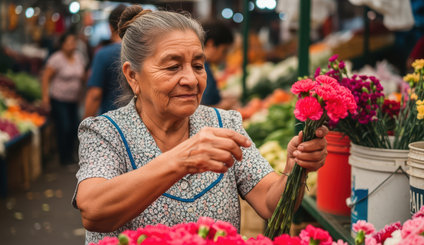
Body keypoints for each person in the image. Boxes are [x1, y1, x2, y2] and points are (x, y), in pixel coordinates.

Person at [72, 6, 328, 244]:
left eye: (198, 65)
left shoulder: (224, 124)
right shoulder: (104, 132)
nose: (191, 79)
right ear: (132, 76)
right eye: (173, 67)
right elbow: (94, 211)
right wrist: (181, 160)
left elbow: (270, 204)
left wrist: (293, 171)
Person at [41, 32, 85, 165]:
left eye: (74, 42)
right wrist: (45, 98)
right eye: (69, 42)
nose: (72, 45)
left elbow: (82, 77)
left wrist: (82, 94)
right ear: (62, 44)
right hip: (59, 99)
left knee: (74, 127)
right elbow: (46, 78)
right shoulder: (56, 59)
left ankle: (71, 155)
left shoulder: (78, 57)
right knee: (64, 127)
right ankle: (63, 157)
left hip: (74, 99)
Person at [83, 4, 126, 118]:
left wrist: (85, 130)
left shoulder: (103, 54)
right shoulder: (145, 53)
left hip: (111, 123)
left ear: (110, 27)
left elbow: (95, 95)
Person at [201, 21, 237, 109]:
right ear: (210, 44)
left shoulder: (206, 66)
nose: (225, 57)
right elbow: (199, 108)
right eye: (224, 51)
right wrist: (224, 106)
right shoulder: (201, 69)